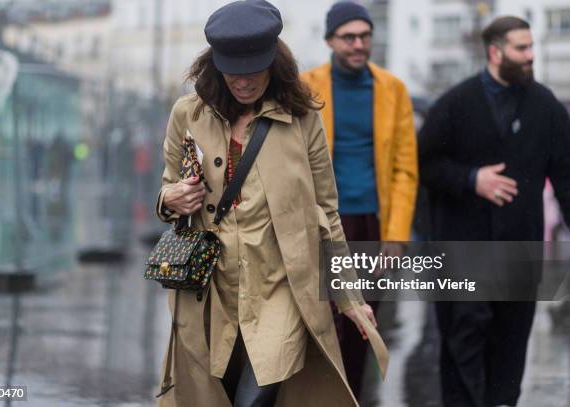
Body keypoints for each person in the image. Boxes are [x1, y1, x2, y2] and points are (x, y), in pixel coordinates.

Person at [154, 1, 376, 406]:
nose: (243, 81)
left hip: (281, 288)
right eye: (232, 70)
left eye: (254, 67)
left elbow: (326, 211)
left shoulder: (303, 117)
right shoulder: (188, 114)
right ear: (214, 63)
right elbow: (169, 191)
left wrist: (350, 298)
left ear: (274, 59)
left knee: (254, 398)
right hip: (209, 292)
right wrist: (170, 198)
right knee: (212, 394)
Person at [418, 16, 570, 407]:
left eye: (531, 46)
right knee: (461, 343)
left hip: (519, 250)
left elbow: (567, 176)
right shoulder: (454, 104)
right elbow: (425, 164)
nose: (530, 56)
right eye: (522, 48)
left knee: (510, 345)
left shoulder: (546, 107)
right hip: (462, 248)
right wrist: (471, 179)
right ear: (495, 52)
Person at [301, 1, 418, 399]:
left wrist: (397, 235)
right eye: (348, 37)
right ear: (331, 40)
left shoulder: (393, 89)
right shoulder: (305, 87)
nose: (358, 44)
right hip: (322, 221)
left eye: (365, 36)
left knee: (362, 321)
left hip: (372, 221)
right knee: (321, 318)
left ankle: (349, 395)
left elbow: (405, 168)